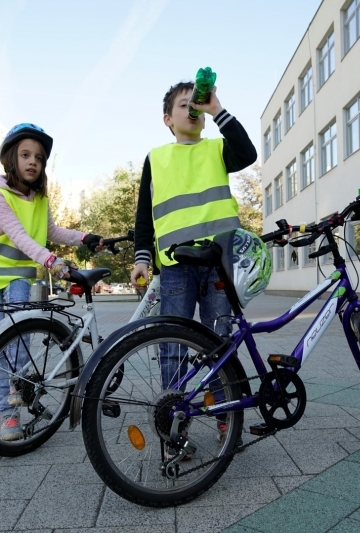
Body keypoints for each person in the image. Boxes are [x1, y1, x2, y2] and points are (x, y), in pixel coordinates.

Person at [130, 80, 257, 443]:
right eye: (184, 105)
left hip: (218, 264)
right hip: (176, 266)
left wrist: (216, 109)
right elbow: (144, 216)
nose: (192, 110)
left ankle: (225, 417)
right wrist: (142, 258)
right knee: (172, 346)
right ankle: (174, 424)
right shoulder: (156, 158)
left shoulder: (217, 148)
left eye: (197, 103)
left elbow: (247, 154)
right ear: (168, 119)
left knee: (220, 343)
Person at [0, 123, 104, 442]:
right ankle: (8, 415)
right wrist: (52, 262)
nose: (33, 162)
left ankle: (20, 387)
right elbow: (19, 235)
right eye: (25, 155)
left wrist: (84, 237)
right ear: (10, 159)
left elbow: (50, 231)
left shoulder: (39, 198)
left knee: (20, 337)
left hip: (19, 273)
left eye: (39, 158)